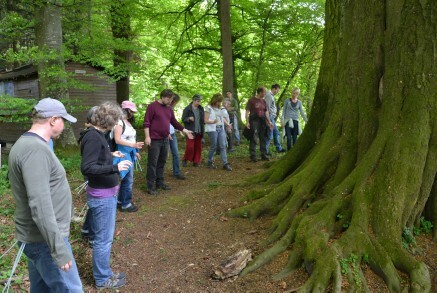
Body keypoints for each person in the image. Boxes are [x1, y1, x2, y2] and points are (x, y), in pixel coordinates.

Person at [8, 98, 83, 292]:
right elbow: (39, 204)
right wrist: (58, 249)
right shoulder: (35, 150)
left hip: (39, 239)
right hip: (45, 241)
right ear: (53, 120)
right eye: (63, 121)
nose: (64, 126)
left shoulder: (27, 144)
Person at [79, 102, 132, 289]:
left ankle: (105, 274)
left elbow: (96, 157)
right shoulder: (93, 137)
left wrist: (110, 154)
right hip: (101, 196)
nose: (118, 123)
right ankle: (102, 279)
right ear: (108, 120)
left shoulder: (96, 135)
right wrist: (115, 166)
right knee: (103, 240)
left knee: (103, 238)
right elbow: (87, 167)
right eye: (116, 119)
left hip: (105, 193)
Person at [143, 89, 194, 195]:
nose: (171, 102)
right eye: (169, 99)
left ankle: (160, 182)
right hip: (154, 140)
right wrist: (147, 137)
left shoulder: (169, 109)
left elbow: (174, 122)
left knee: (162, 161)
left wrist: (184, 130)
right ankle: (150, 186)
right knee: (153, 163)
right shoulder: (152, 106)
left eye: (171, 100)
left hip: (165, 139)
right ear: (164, 97)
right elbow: (146, 123)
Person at [114, 100, 144, 212]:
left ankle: (120, 201)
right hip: (122, 154)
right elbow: (117, 140)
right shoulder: (119, 122)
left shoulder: (127, 122)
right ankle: (126, 204)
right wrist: (133, 145)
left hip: (130, 153)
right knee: (127, 179)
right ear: (126, 110)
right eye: (132, 111)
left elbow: (131, 139)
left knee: (126, 179)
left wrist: (135, 151)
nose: (133, 113)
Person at [205, 93, 232, 171]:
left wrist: (228, 124)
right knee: (214, 146)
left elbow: (222, 118)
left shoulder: (220, 108)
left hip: (221, 128)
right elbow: (205, 120)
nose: (219, 103)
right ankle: (210, 161)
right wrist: (213, 121)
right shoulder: (208, 108)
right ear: (214, 100)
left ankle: (225, 163)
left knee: (223, 145)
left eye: (220, 102)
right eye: (218, 101)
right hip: (212, 129)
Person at [245, 87, 273, 162]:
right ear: (260, 92)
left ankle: (264, 154)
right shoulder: (252, 100)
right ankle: (253, 155)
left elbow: (266, 111)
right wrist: (247, 122)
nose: (265, 93)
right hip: (254, 121)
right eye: (264, 92)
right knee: (254, 137)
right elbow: (247, 111)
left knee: (263, 137)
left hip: (262, 121)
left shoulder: (263, 101)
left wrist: (269, 121)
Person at [181, 94, 204, 168]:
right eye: (197, 101)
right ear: (193, 100)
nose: (199, 103)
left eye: (200, 101)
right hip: (190, 131)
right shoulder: (187, 109)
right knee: (190, 147)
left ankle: (196, 161)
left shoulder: (201, 109)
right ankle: (185, 159)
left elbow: (202, 119)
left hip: (199, 130)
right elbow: (183, 119)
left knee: (198, 147)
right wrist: (189, 119)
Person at [169, 94, 186, 179]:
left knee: (176, 153)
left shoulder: (171, 109)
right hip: (164, 135)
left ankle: (177, 172)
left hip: (172, 134)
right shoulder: (164, 108)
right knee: (163, 156)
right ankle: (158, 175)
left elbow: (173, 122)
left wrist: (179, 129)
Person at [264, 84, 285, 154]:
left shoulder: (271, 96)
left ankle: (279, 148)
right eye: (278, 90)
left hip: (271, 117)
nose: (278, 92)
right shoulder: (269, 96)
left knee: (276, 133)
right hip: (269, 117)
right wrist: (268, 120)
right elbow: (266, 108)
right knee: (270, 134)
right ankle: (265, 150)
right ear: (274, 89)